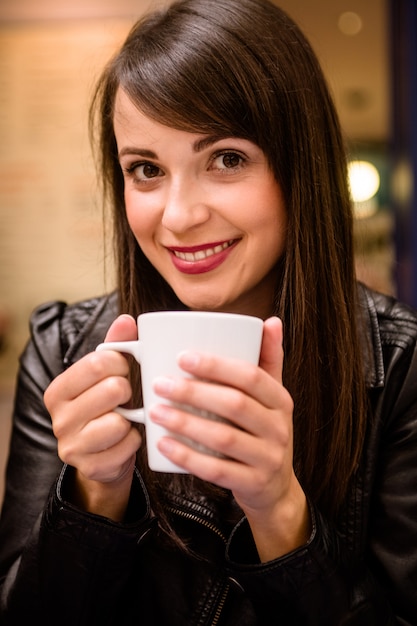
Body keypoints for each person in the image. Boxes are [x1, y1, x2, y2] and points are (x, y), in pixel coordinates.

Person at [0, 0, 416, 623]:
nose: (178, 216)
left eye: (226, 159)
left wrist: (279, 514)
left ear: (300, 167)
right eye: (145, 169)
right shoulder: (64, 350)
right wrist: (91, 498)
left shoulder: (401, 366)